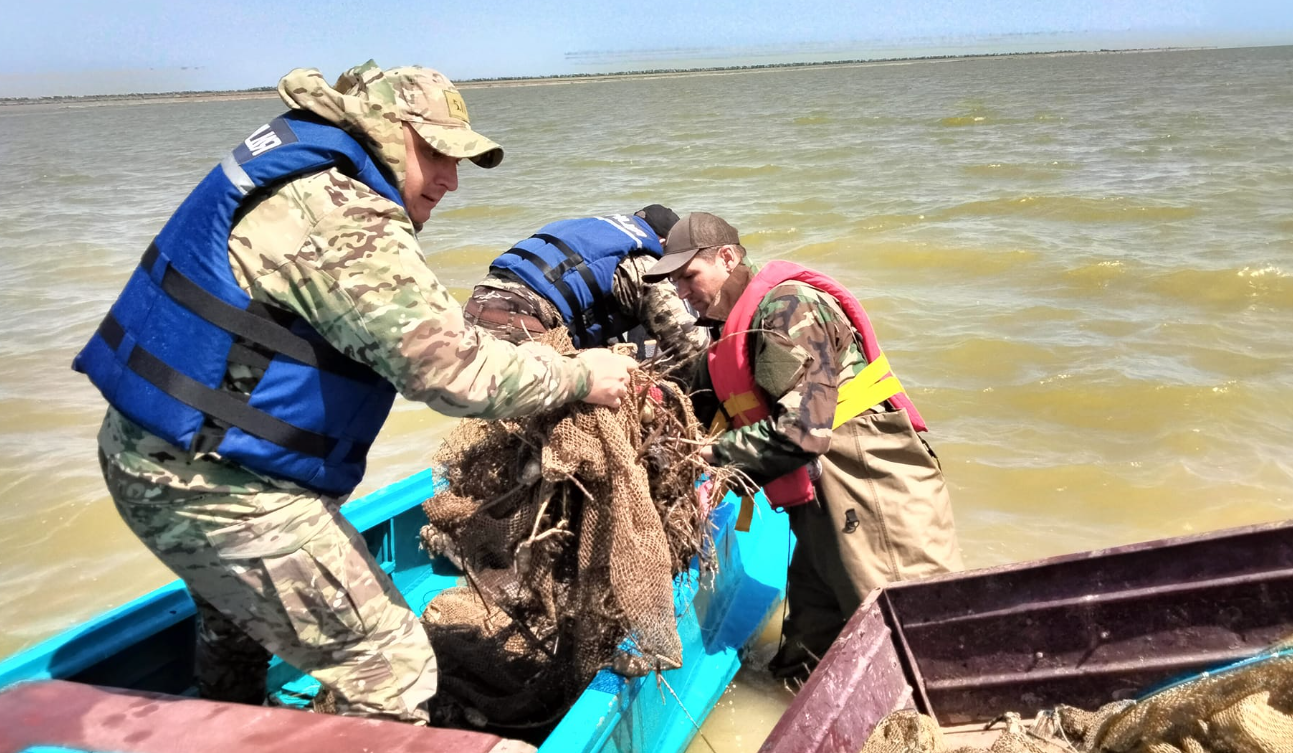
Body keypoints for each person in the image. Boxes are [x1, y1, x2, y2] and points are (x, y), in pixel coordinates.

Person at [71, 61, 637, 724]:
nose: (451, 180)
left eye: (459, 162)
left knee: (237, 621)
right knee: (392, 666)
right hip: (214, 488)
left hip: (158, 456)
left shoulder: (304, 170)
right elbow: (452, 374)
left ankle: (226, 720)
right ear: (386, 134)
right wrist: (580, 375)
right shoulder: (343, 209)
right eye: (435, 155)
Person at [643, 212, 963, 682]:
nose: (682, 292)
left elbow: (804, 431)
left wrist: (707, 454)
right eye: (675, 282)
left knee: (916, 648)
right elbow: (702, 403)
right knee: (807, 658)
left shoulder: (788, 307)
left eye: (689, 276)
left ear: (727, 258)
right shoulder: (731, 329)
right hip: (820, 503)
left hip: (870, 483)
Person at [463, 205, 707, 373]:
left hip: (474, 311)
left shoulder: (598, 231)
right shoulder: (643, 262)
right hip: (521, 321)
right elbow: (688, 348)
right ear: (663, 242)